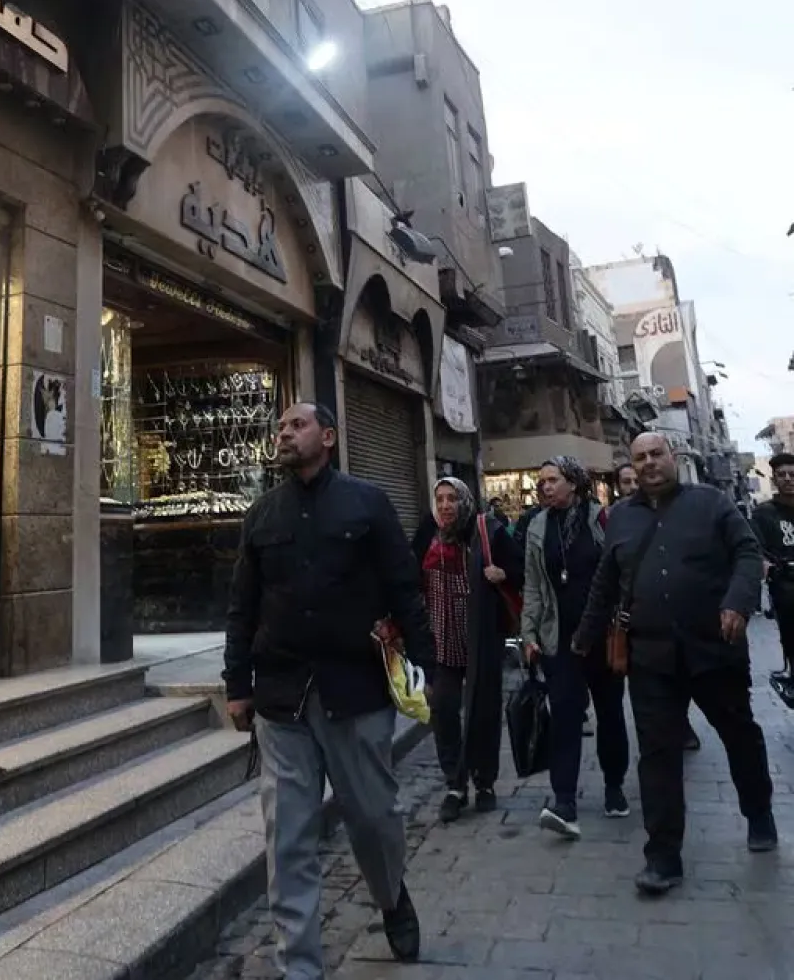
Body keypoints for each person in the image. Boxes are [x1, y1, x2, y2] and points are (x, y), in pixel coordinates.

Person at [225, 402, 433, 973]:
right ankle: (301, 965)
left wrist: (427, 668)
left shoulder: (368, 503)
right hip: (281, 698)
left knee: (374, 818)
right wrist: (235, 683)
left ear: (329, 436)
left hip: (357, 691)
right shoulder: (262, 514)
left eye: (297, 425)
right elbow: (242, 607)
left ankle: (391, 897)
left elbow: (404, 588)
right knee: (288, 836)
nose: (284, 433)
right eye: (281, 427)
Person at [575, 432, 777, 894]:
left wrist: (738, 603)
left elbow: (749, 554)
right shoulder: (620, 518)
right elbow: (606, 583)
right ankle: (663, 856)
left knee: (739, 732)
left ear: (673, 457)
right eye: (639, 457)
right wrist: (582, 641)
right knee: (657, 755)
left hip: (714, 649)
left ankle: (759, 810)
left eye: (656, 454)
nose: (648, 463)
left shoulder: (710, 504)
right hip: (651, 659)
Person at [520, 457, 631, 838]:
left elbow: (621, 571)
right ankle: (564, 799)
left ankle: (614, 787)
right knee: (564, 716)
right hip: (558, 638)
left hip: (601, 637)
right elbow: (532, 586)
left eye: (552, 480)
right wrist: (528, 633)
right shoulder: (537, 525)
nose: (545, 487)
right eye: (542, 481)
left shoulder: (601, 520)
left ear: (573, 482)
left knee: (610, 712)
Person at [411, 479, 522, 823]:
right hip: (440, 644)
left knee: (484, 713)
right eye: (439, 499)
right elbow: (409, 581)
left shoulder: (488, 532)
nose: (445, 506)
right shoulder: (426, 533)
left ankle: (484, 782)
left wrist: (502, 574)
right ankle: (454, 786)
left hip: (479, 640)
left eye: (452, 499)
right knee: (443, 713)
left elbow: (521, 572)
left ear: (465, 501)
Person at [614, 463, 701, 750]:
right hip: (637, 620)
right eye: (624, 482)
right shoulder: (618, 516)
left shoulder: (680, 508)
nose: (629, 487)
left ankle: (681, 722)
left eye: (631, 481)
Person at [751, 452, 794, 686]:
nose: (788, 479)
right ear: (775, 479)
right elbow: (755, 546)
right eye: (782, 475)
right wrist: (764, 563)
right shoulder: (764, 513)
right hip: (786, 583)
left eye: (792, 474)